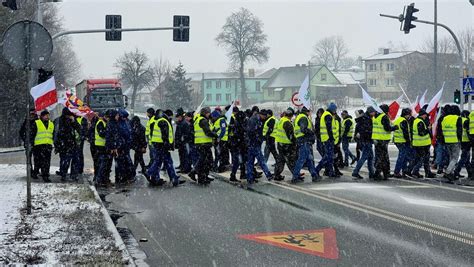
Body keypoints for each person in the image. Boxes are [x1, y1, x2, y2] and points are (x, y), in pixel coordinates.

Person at [190, 107, 218, 184]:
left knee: (204, 161)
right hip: (203, 144)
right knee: (205, 161)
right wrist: (216, 135)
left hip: (201, 143)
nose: (210, 114)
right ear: (206, 113)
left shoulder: (199, 119)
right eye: (209, 113)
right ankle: (196, 173)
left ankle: (203, 177)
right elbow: (207, 132)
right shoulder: (203, 121)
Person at [292, 106, 319, 182]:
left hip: (302, 140)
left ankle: (314, 175)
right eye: (309, 111)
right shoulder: (303, 118)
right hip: (304, 140)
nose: (310, 113)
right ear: (307, 111)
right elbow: (303, 129)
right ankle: (295, 176)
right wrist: (311, 133)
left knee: (309, 159)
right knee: (302, 159)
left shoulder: (301, 117)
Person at [246, 109, 273, 184]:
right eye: (265, 116)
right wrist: (259, 138)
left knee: (250, 162)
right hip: (253, 143)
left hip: (251, 143)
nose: (265, 118)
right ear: (261, 115)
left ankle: (250, 178)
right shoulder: (254, 120)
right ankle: (268, 175)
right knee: (261, 160)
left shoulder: (256, 119)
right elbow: (252, 132)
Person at [54, 107, 81, 181]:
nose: (68, 116)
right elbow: (57, 132)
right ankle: (63, 174)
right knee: (65, 161)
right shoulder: (59, 120)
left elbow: (79, 129)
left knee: (75, 160)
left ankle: (74, 175)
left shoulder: (73, 120)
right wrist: (57, 144)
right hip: (64, 144)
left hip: (73, 143)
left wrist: (73, 122)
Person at [372, 104, 397, 180]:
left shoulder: (376, 116)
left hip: (376, 140)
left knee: (379, 156)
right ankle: (383, 173)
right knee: (384, 157)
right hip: (382, 140)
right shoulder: (384, 117)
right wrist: (394, 128)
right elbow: (387, 128)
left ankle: (380, 172)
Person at [409, 110, 435, 178]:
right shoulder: (420, 122)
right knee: (423, 159)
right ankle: (415, 171)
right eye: (425, 115)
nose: (426, 116)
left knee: (419, 158)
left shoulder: (416, 121)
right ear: (423, 115)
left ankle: (410, 170)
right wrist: (428, 129)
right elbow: (421, 133)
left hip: (417, 143)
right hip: (422, 144)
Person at [352, 107, 376, 179]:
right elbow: (367, 131)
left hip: (364, 140)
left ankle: (371, 173)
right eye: (373, 112)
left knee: (370, 157)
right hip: (366, 141)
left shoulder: (365, 118)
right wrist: (371, 139)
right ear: (370, 112)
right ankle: (355, 172)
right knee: (364, 157)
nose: (374, 113)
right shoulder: (367, 119)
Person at [315, 103, 338, 178]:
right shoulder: (328, 115)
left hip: (325, 138)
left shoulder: (326, 114)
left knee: (330, 157)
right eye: (335, 110)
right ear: (332, 109)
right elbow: (329, 128)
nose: (335, 111)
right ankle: (317, 170)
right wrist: (331, 137)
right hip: (328, 139)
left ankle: (331, 172)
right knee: (327, 157)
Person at [31, 110, 54, 182]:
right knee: (38, 161)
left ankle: (45, 176)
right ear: (41, 116)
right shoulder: (37, 123)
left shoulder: (51, 123)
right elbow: (32, 134)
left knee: (46, 162)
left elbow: (53, 134)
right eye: (45, 115)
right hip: (38, 146)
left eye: (48, 115)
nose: (47, 116)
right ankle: (35, 172)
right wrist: (32, 144)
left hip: (48, 145)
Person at [273, 108, 296, 181]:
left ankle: (277, 174)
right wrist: (294, 143)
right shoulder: (287, 123)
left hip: (280, 143)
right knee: (290, 161)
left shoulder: (281, 120)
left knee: (281, 160)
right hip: (287, 145)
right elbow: (291, 136)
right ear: (291, 116)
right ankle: (296, 175)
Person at [441, 105, 462, 180]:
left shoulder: (445, 118)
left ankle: (450, 172)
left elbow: (442, 130)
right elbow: (459, 131)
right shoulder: (457, 118)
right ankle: (448, 172)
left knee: (451, 157)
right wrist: (460, 140)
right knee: (455, 158)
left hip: (447, 140)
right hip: (455, 140)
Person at [115, 109, 136, 184]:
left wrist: (119, 145)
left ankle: (122, 177)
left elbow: (124, 135)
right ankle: (127, 176)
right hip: (124, 146)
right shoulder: (126, 123)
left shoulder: (120, 124)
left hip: (122, 146)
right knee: (126, 161)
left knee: (122, 162)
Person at [229, 108, 248, 182]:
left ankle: (240, 174)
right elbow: (240, 133)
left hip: (237, 144)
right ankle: (234, 175)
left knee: (241, 160)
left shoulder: (236, 122)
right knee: (239, 160)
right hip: (238, 144)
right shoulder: (238, 123)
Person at [392, 108, 412, 178]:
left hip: (397, 140)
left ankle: (404, 170)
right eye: (409, 115)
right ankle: (397, 172)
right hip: (402, 141)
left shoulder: (398, 120)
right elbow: (405, 133)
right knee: (402, 157)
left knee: (403, 156)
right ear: (406, 115)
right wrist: (408, 141)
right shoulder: (404, 121)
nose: (409, 116)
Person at [94, 111, 112, 186]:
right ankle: (99, 179)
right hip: (100, 146)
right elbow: (102, 134)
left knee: (103, 163)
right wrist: (108, 131)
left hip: (103, 146)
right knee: (102, 163)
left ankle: (102, 178)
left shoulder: (104, 123)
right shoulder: (100, 123)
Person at [20, 108, 38, 178]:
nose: (32, 116)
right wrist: (25, 139)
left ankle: (36, 171)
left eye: (33, 114)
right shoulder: (26, 122)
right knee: (29, 159)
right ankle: (31, 171)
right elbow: (21, 132)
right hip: (29, 143)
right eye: (31, 114)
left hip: (36, 143)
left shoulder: (37, 121)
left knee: (37, 158)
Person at [454, 110, 471, 178]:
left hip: (461, 140)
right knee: (464, 157)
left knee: (466, 157)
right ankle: (456, 171)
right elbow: (468, 131)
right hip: (466, 140)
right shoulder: (466, 120)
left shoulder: (459, 119)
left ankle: (470, 172)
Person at [212, 108, 230, 172]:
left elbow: (223, 130)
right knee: (219, 154)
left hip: (222, 140)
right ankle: (217, 166)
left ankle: (221, 167)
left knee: (220, 154)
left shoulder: (221, 120)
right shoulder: (217, 121)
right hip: (219, 140)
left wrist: (219, 137)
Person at [175, 108, 192, 174]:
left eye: (179, 117)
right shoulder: (179, 123)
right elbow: (177, 133)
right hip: (180, 142)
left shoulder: (184, 123)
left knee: (185, 156)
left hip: (184, 142)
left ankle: (186, 168)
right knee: (181, 155)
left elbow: (187, 133)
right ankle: (182, 167)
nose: (178, 118)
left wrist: (183, 138)